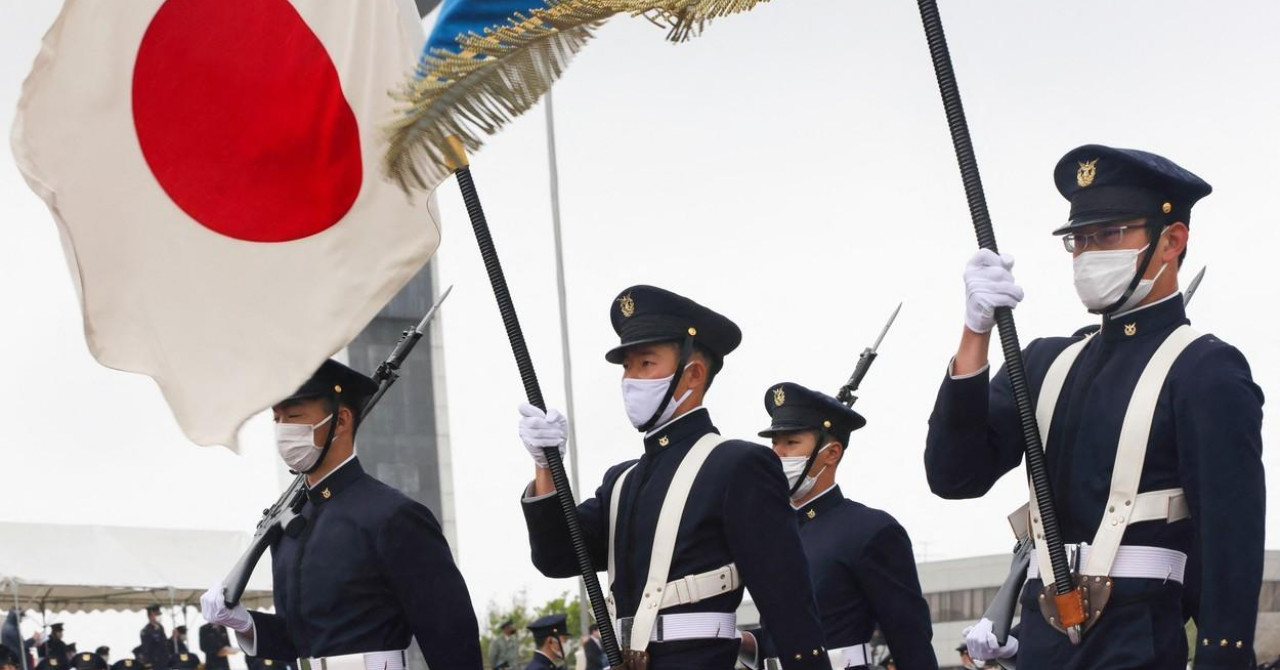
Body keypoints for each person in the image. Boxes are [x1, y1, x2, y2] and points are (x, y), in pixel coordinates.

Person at [925, 145, 1265, 669]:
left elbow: (1230, 541)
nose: (1087, 254)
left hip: (1139, 647)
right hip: (1043, 644)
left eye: (1108, 235)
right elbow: (954, 475)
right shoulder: (1043, 362)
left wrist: (1224, 657)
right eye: (1078, 240)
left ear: (1171, 240)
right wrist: (976, 335)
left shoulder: (1205, 370)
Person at [519, 285, 829, 669]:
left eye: (646, 364)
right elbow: (557, 556)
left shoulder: (737, 465)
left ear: (693, 374)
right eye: (627, 367)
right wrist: (546, 466)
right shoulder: (621, 482)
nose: (631, 379)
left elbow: (787, 599)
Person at [201, 359, 482, 670]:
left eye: (294, 416)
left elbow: (450, 636)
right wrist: (245, 623)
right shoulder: (288, 526)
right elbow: (299, 639)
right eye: (277, 419)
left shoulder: (393, 516)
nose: (283, 430)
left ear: (342, 421)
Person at [742, 382, 937, 670]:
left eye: (791, 443)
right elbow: (786, 636)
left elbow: (910, 641)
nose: (777, 453)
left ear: (831, 453)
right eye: (775, 443)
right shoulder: (773, 533)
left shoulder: (870, 530)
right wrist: (742, 641)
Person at [138, 606, 169, 670]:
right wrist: (148, 665)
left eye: (159, 614)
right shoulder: (146, 631)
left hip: (164, 662)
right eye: (157, 614)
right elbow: (146, 649)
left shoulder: (160, 627)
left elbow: (164, 644)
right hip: (154, 663)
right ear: (151, 616)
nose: (159, 616)